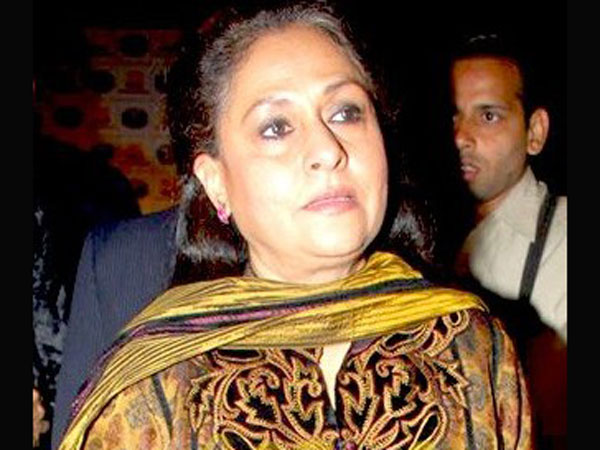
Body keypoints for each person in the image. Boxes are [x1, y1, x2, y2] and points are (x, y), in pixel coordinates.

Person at [58, 3, 531, 449]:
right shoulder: (156, 380)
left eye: (346, 113)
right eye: (276, 127)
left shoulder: (470, 342)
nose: (327, 149)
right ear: (216, 182)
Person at [449, 34, 566, 448]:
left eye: (488, 116)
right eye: (452, 116)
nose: (461, 136)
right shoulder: (426, 238)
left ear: (535, 132)